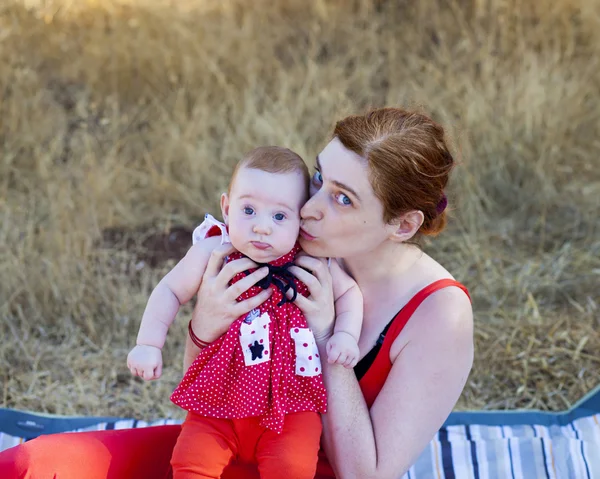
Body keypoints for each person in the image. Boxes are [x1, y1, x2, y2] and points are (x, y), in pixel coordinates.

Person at [0, 107, 474, 479]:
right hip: (220, 443)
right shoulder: (280, 247)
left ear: (403, 223)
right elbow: (200, 395)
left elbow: (363, 473)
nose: (307, 207)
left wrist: (326, 334)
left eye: (342, 198)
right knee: (31, 467)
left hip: (301, 468)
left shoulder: (439, 314)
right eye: (317, 178)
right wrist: (206, 324)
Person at [127, 146, 362, 478]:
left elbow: (350, 292)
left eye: (279, 216)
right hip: (218, 400)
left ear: (300, 218)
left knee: (292, 467)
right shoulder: (216, 250)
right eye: (248, 210)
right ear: (226, 207)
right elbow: (169, 289)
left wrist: (346, 335)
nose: (262, 227)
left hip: (290, 403)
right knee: (191, 462)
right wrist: (149, 342)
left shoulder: (311, 259)